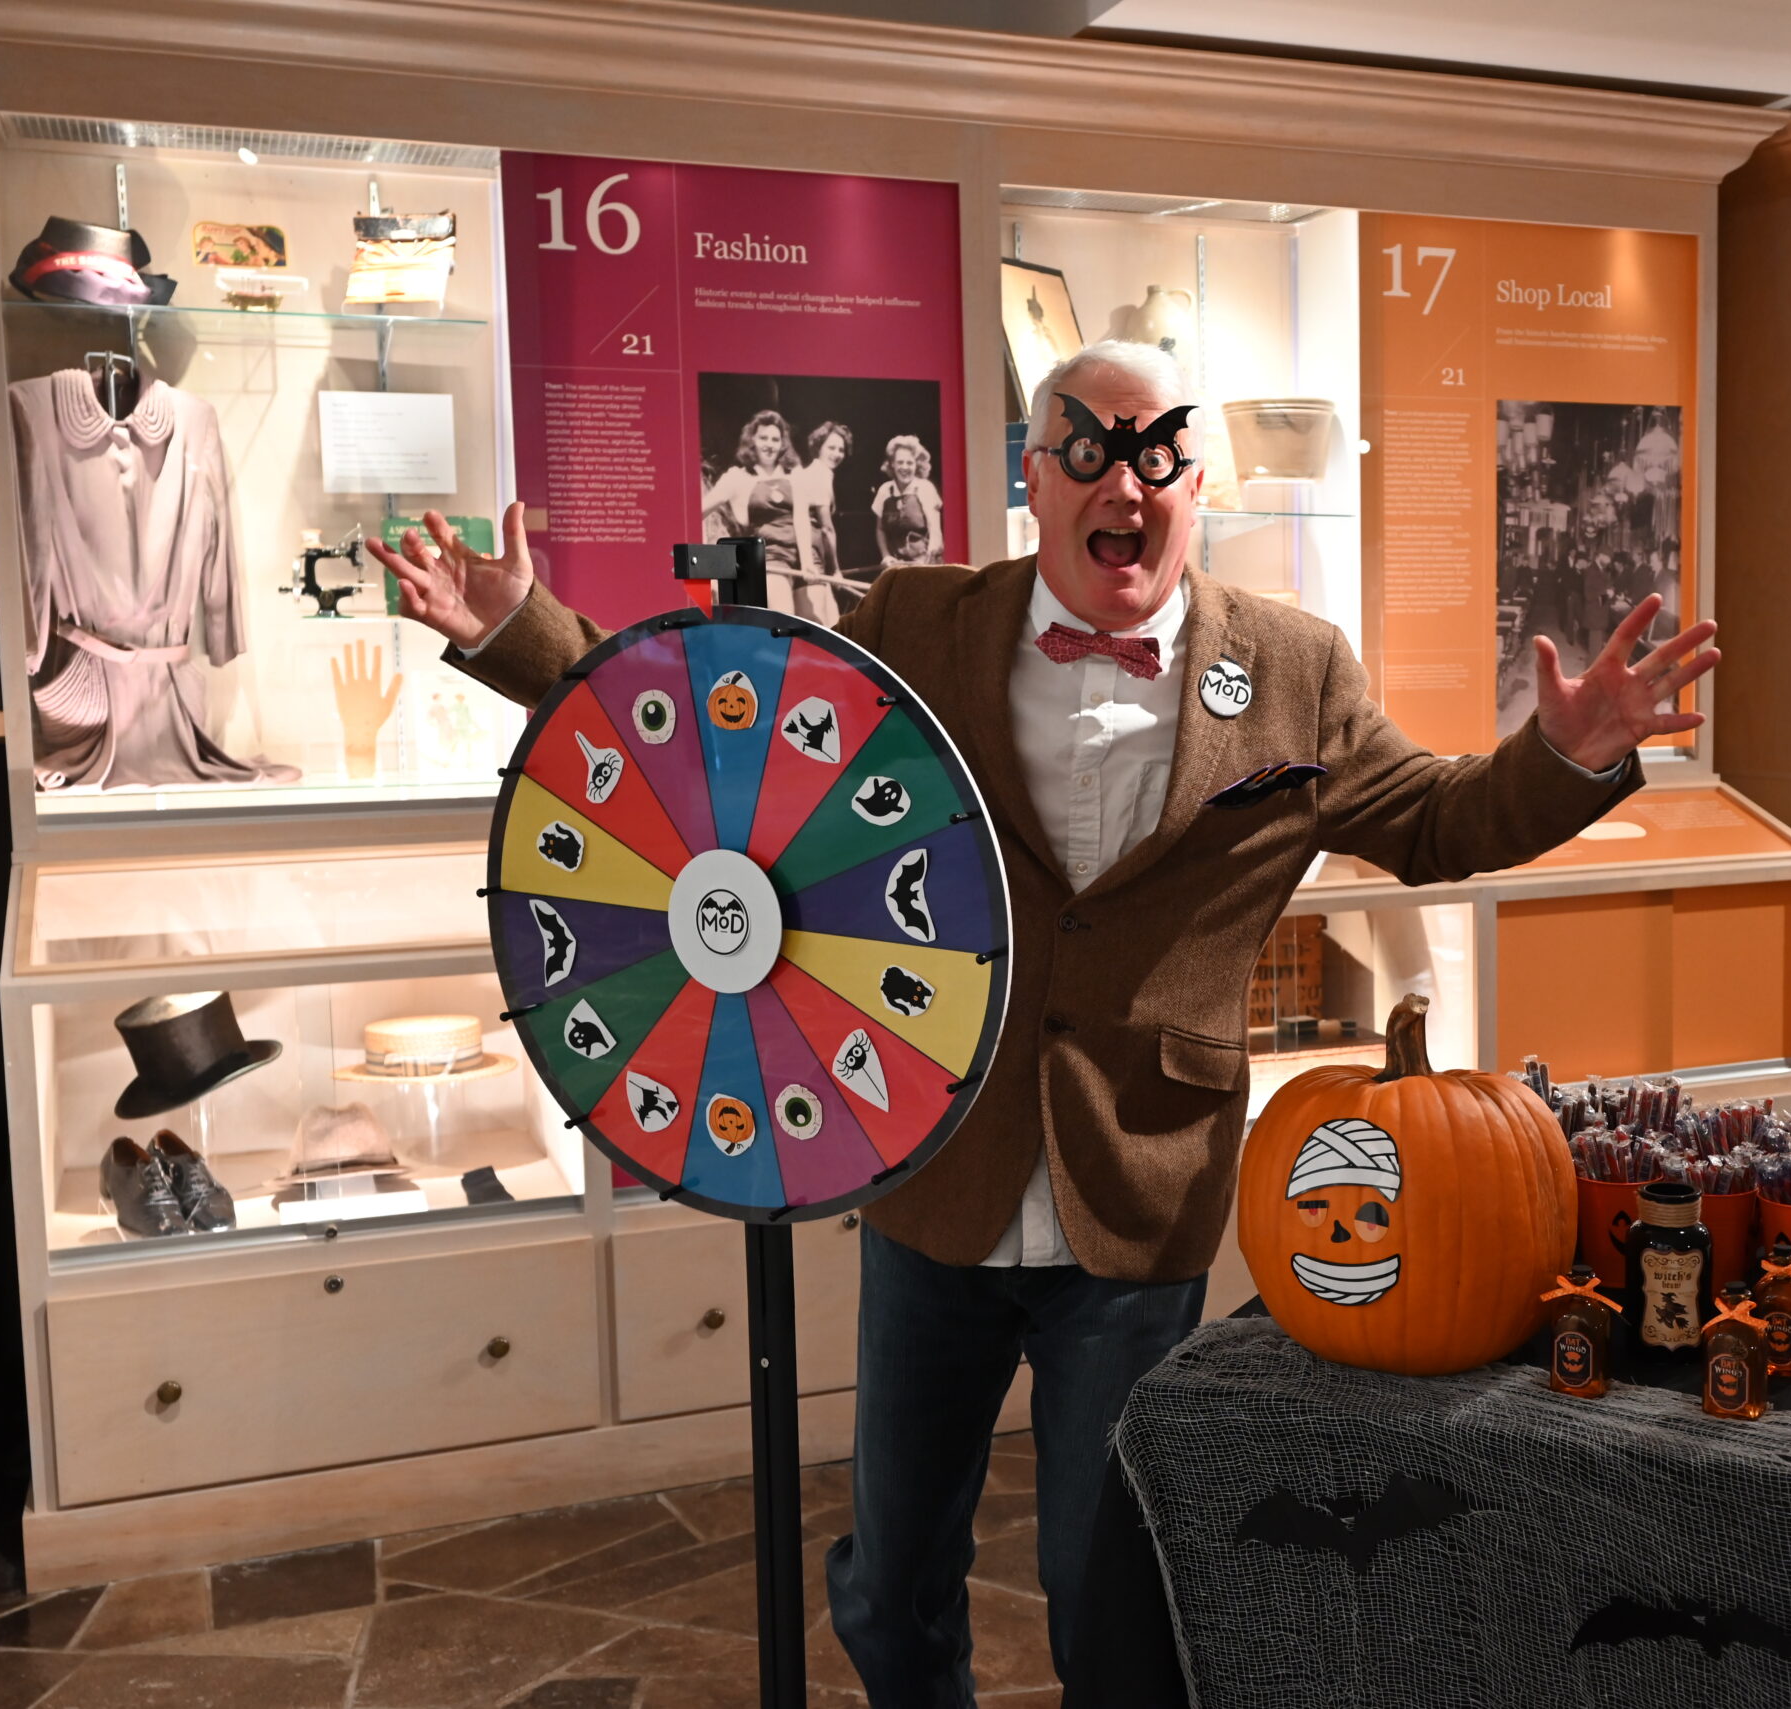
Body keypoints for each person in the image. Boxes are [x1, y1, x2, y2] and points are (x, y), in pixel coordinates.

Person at [364, 338, 1719, 1706]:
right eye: (1088, 449)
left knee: (1104, 1601)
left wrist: (1575, 752)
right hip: (929, 1174)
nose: (1123, 481)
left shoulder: (1296, 669)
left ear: (1197, 484)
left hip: (1135, 1197)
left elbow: (1440, 819)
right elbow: (721, 736)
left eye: (1157, 454)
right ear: (1033, 475)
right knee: (890, 1593)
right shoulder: (919, 619)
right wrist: (517, 631)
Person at [700, 408, 822, 616]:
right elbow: (695, 513)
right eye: (763, 438)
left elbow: (801, 519)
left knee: (818, 626)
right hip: (769, 561)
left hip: (801, 560)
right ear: (752, 442)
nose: (769, 445)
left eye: (775, 439)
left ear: (783, 443)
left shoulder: (796, 476)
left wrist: (808, 563)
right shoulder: (737, 478)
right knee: (783, 621)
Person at [798, 419, 853, 599]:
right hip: (811, 558)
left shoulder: (816, 473)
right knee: (821, 621)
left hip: (812, 555)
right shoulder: (818, 476)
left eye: (841, 449)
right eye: (831, 448)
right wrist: (836, 570)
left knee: (830, 617)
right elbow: (827, 529)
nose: (836, 454)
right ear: (819, 446)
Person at [874, 433, 944, 565]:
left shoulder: (925, 488)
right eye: (900, 462)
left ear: (916, 465)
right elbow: (880, 529)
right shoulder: (884, 490)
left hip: (926, 562)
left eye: (909, 463)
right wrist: (886, 556)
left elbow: (935, 531)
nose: (904, 467)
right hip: (896, 563)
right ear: (892, 464)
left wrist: (927, 561)